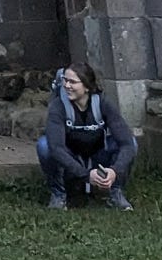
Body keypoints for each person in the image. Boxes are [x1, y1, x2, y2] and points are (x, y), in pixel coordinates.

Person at [38, 62, 137, 210]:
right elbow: (56, 148)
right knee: (44, 146)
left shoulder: (102, 103)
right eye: (65, 80)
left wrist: (115, 171)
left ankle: (115, 192)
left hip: (98, 155)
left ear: (87, 87)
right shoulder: (58, 106)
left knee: (133, 143)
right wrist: (85, 175)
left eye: (72, 82)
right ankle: (59, 194)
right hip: (70, 158)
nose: (67, 86)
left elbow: (127, 143)